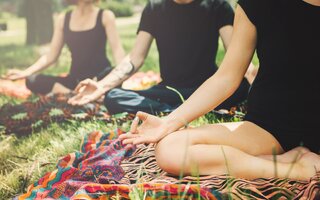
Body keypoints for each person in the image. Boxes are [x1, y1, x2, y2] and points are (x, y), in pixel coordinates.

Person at [120, 0, 320, 181]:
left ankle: (276, 161)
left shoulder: (217, 6)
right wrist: (168, 123)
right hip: (270, 129)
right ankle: (293, 169)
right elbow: (226, 77)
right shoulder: (258, 4)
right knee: (170, 149)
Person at [68, 0, 256, 114]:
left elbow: (235, 54)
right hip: (168, 90)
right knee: (113, 97)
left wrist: (252, 73)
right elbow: (135, 58)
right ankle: (186, 109)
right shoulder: (154, 8)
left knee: (241, 87)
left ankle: (181, 108)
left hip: (208, 87)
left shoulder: (217, 5)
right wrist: (101, 86)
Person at [3, 0, 125, 95]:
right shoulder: (63, 19)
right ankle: (74, 94)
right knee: (32, 80)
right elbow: (51, 56)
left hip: (100, 78)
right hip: (74, 80)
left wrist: (121, 75)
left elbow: (117, 51)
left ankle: (73, 93)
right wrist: (25, 72)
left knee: (114, 74)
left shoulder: (105, 16)